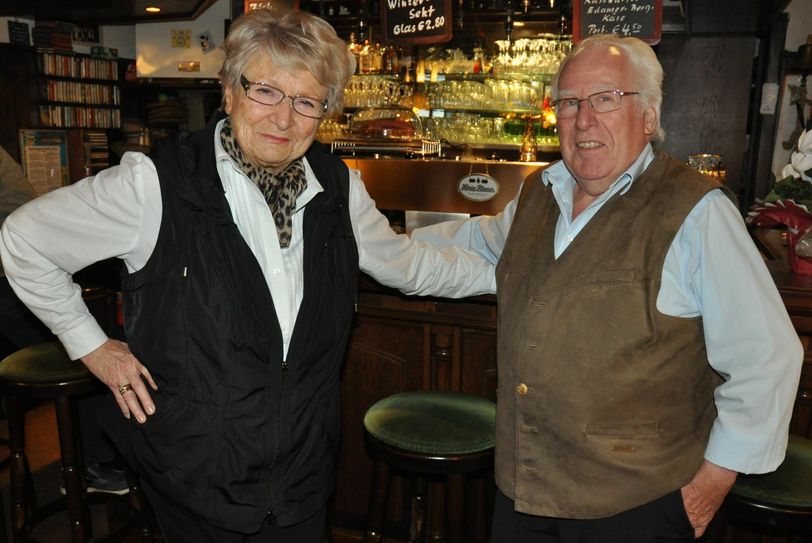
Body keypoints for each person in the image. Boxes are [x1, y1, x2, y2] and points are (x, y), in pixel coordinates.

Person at [0, 9, 495, 543]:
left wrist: (506, 277)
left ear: (325, 112)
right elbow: (24, 239)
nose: (283, 119)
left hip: (302, 473)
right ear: (229, 90)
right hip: (195, 477)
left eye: (306, 101)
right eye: (265, 91)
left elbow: (410, 264)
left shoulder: (339, 189)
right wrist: (93, 347)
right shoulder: (156, 185)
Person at [410, 34, 804, 542]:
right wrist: (371, 240)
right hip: (524, 490)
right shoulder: (539, 193)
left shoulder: (697, 211)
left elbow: (766, 357)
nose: (584, 119)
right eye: (570, 102)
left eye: (606, 98)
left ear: (649, 116)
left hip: (636, 508)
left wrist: (707, 488)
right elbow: (474, 244)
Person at [0, 144, 129, 495]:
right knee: (87, 352)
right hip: (10, 277)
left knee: (90, 343)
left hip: (15, 270)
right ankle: (92, 466)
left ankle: (97, 459)